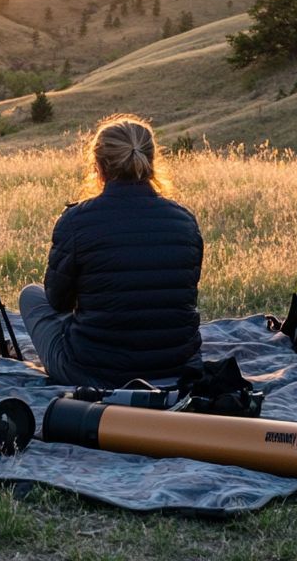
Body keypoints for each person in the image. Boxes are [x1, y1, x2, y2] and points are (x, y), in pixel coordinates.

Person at [18, 114, 203, 387]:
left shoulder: (76, 221)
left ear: (98, 165)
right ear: (151, 162)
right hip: (177, 368)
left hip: (95, 373)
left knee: (31, 296)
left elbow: (58, 302)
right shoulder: (184, 221)